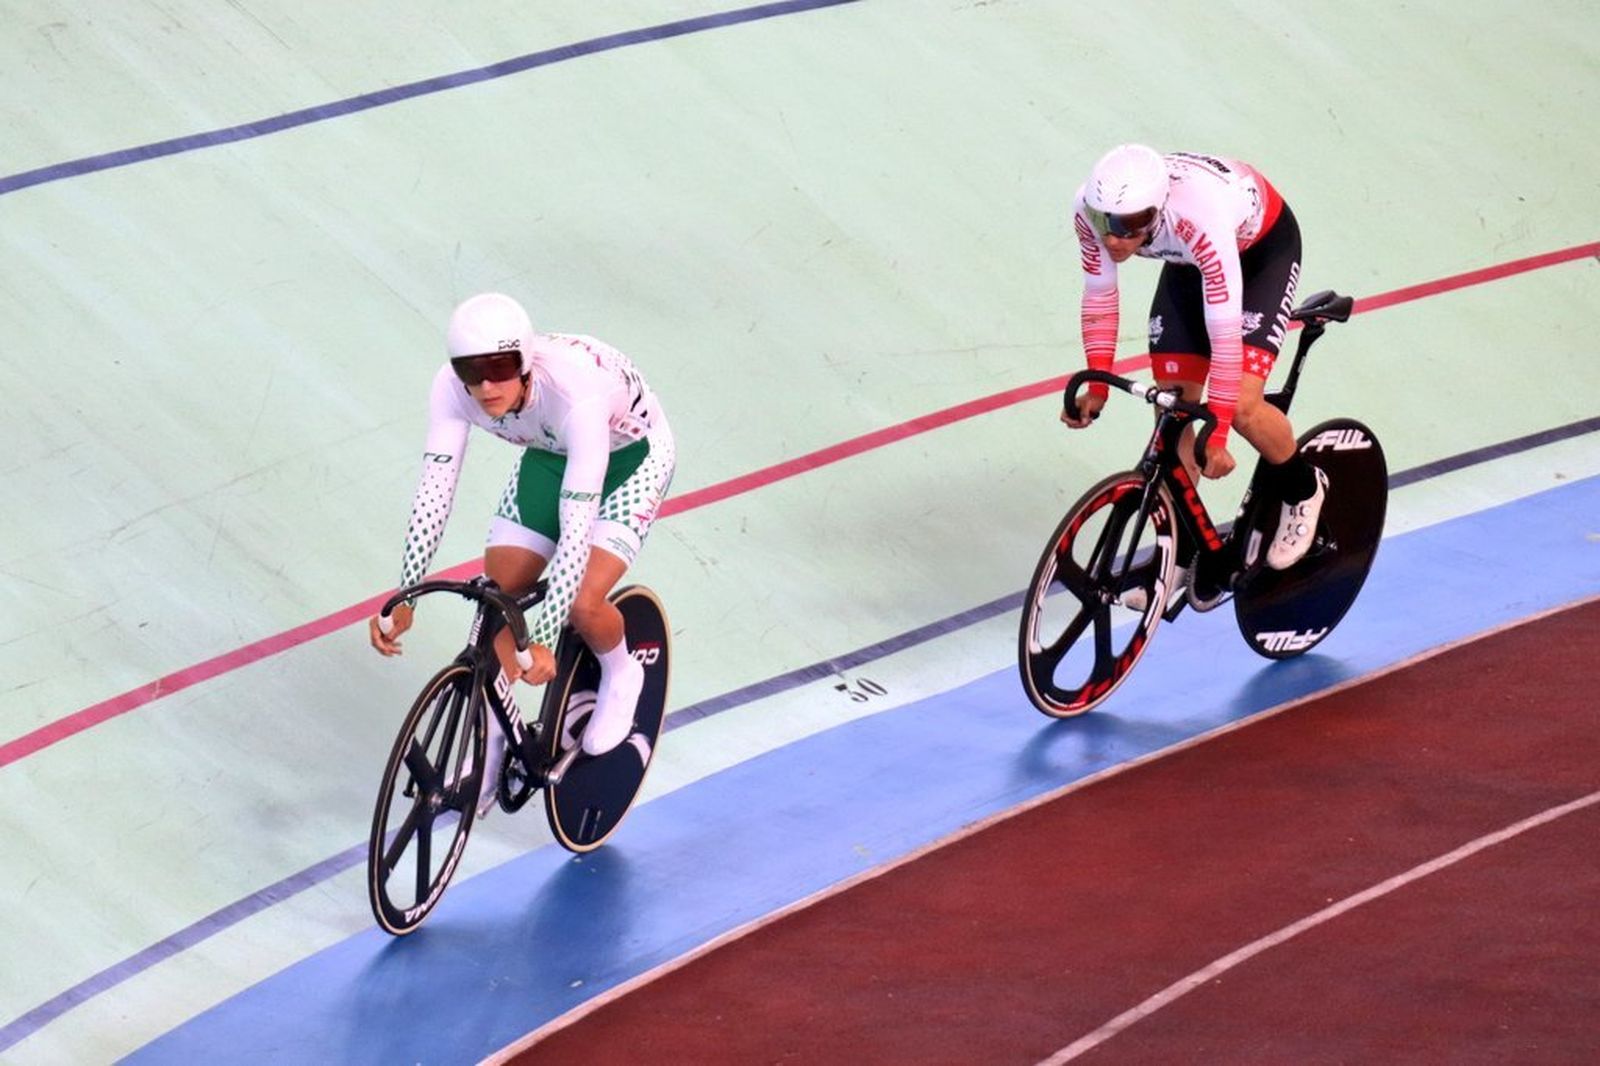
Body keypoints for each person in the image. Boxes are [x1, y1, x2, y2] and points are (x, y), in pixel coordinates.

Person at [369, 292, 676, 811]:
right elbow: (434, 492)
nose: (487, 385)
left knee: (582, 603)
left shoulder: (575, 395)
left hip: (629, 460)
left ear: (526, 363)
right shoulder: (451, 391)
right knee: (498, 599)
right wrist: (406, 595)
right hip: (552, 456)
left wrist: (548, 639)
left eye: (501, 368)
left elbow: (577, 529)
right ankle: (489, 754)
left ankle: (624, 672)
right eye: (472, 370)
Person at [1062, 144, 1327, 602]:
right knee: (1172, 414)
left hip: (1258, 253)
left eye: (1130, 226)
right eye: (1107, 222)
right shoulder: (1090, 210)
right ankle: (1179, 559)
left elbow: (1224, 335)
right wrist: (1098, 382)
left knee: (1242, 406)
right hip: (1188, 264)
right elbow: (1100, 297)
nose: (1114, 238)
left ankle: (1303, 489)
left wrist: (1220, 429)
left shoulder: (1197, 217)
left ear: (1158, 209)